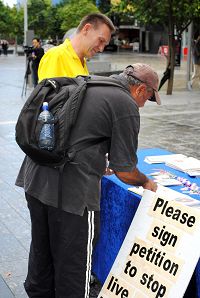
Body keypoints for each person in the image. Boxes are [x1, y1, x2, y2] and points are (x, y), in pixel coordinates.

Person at [15, 62, 160, 298]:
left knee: (43, 253)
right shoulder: (126, 104)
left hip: (36, 179)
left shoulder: (91, 82)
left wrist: (94, 161)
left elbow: (78, 135)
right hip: (71, 194)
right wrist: (145, 182)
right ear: (141, 90)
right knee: (74, 266)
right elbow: (125, 171)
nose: (144, 105)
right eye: (149, 98)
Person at [38, 13, 115, 81]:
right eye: (101, 40)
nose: (101, 49)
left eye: (104, 45)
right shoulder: (56, 55)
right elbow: (47, 96)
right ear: (86, 29)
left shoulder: (82, 60)